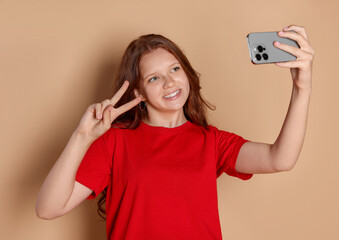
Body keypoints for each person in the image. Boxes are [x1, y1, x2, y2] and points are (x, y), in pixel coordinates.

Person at [35, 24, 315, 240]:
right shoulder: (115, 141)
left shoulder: (212, 141)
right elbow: (48, 208)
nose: (169, 82)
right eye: (154, 78)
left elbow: (281, 159)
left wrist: (302, 88)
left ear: (186, 73)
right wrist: (82, 137)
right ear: (138, 92)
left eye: (174, 69)